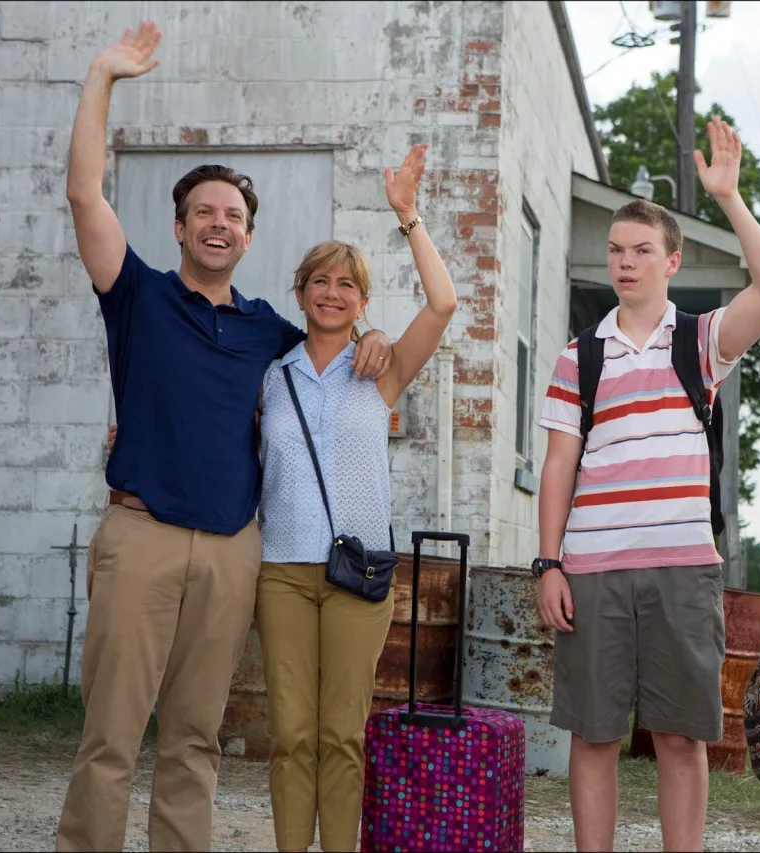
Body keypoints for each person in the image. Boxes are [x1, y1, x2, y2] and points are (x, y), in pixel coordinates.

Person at [56, 22, 393, 852]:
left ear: (248, 236)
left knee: (195, 740)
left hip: (233, 552)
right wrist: (102, 77)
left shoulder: (268, 331)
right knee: (111, 738)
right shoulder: (136, 294)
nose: (218, 223)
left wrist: (373, 336)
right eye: (203, 212)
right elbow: (85, 195)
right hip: (141, 535)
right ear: (178, 228)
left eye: (233, 215)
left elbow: (330, 343)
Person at [533, 117, 760, 852]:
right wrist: (548, 563)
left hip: (682, 568)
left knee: (680, 738)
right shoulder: (578, 356)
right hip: (591, 570)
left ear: (671, 261)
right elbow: (558, 464)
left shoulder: (701, 342)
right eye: (616, 250)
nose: (625, 261)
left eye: (641, 250)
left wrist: (729, 197)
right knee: (594, 735)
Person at [253, 143, 456, 853]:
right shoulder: (270, 375)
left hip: (358, 572)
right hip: (281, 570)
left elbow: (444, 303)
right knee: (291, 733)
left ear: (363, 301)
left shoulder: (381, 370)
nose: (332, 292)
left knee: (342, 733)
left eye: (347, 284)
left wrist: (409, 216)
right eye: (320, 281)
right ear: (301, 292)